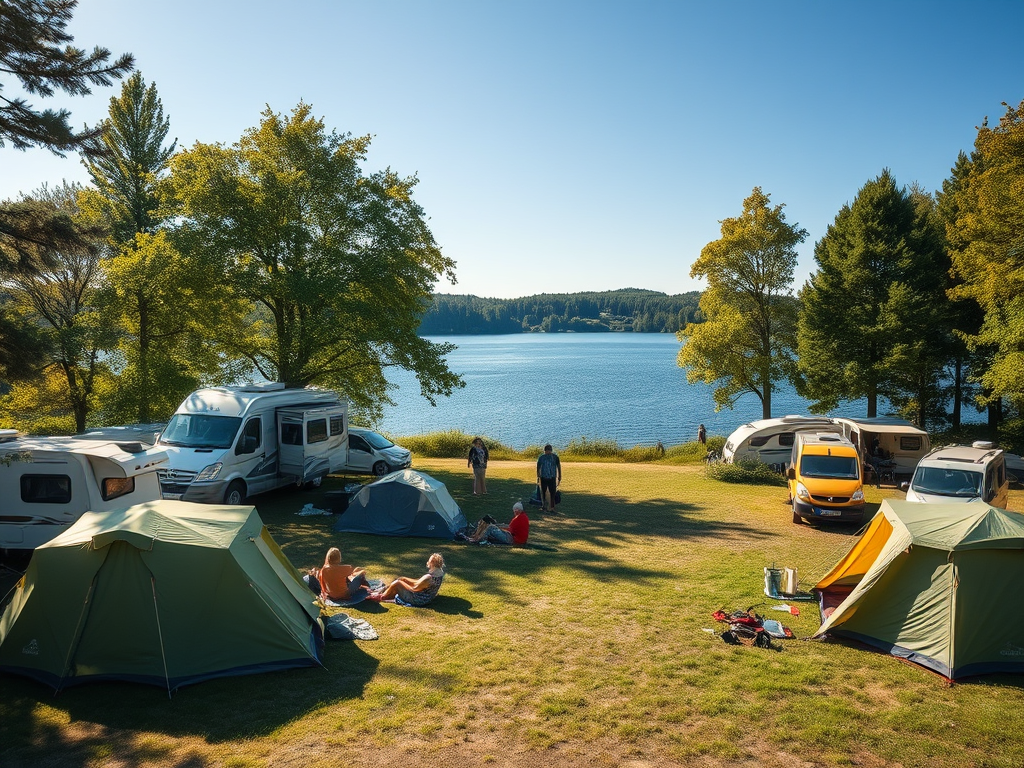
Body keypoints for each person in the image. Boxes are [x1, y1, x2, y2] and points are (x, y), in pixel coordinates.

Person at [368, 553, 446, 605]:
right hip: (426, 597)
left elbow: (415, 589)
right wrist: (404, 579)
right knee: (402, 580)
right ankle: (383, 591)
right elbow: (419, 582)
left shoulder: (429, 578)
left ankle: (381, 596)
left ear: (431, 563)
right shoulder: (439, 573)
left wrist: (401, 583)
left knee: (397, 583)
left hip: (418, 600)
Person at [304, 547, 369, 601]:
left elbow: (318, 575)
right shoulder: (344, 568)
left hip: (330, 594)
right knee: (360, 576)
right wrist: (361, 571)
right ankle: (368, 589)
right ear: (339, 558)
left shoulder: (323, 570)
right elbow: (354, 572)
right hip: (344, 594)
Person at [536, 443, 561, 513]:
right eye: (547, 451)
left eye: (549, 450)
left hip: (552, 477)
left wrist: (559, 476)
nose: (548, 452)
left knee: (553, 493)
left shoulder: (555, 457)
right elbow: (538, 466)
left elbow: (558, 466)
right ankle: (544, 506)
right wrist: (538, 475)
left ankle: (552, 507)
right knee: (543, 492)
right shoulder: (541, 458)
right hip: (543, 477)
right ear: (545, 451)